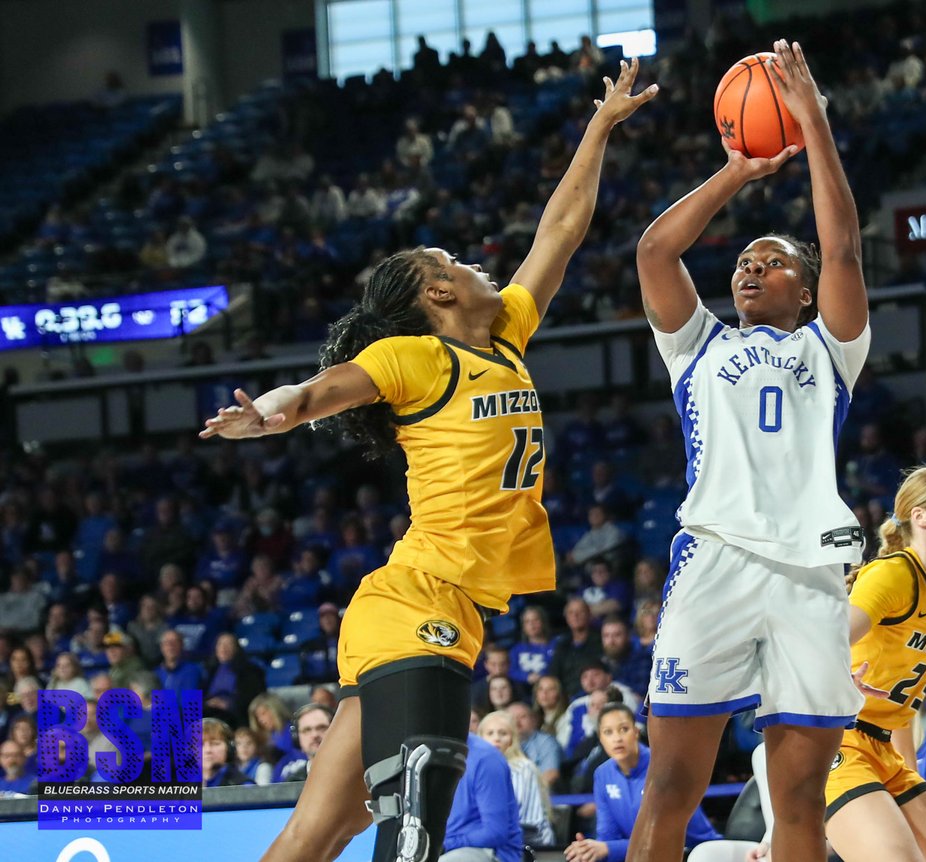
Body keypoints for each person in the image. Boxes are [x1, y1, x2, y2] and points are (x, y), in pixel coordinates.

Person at [200, 62, 656, 862]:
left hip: (435, 611)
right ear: (437, 293)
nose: (478, 265)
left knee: (321, 831)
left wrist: (599, 127)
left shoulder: (507, 334)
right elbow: (314, 393)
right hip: (420, 608)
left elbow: (561, 230)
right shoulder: (415, 357)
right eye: (453, 260)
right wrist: (264, 415)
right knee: (418, 810)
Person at [629, 40, 868, 862]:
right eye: (742, 260)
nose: (750, 268)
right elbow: (656, 253)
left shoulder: (830, 352)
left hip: (809, 574)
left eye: (772, 262)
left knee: (799, 800)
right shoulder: (696, 346)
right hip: (716, 558)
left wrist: (814, 126)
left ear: (805, 291)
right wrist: (739, 170)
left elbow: (843, 249)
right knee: (671, 786)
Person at [827, 466, 926, 862]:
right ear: (921, 517)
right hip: (839, 743)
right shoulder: (895, 574)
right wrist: (836, 677)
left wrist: (909, 785)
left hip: (883, 751)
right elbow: (824, 644)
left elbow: (901, 714)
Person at [566, 703, 720, 862]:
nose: (617, 738)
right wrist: (589, 850)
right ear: (600, 739)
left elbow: (663, 839)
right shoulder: (602, 774)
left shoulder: (664, 766)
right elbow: (608, 836)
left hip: (695, 852)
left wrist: (608, 848)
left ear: (636, 732)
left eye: (624, 729)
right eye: (608, 732)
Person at [441, 733, 524, 862]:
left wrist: (445, 845)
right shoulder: (421, 752)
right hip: (444, 846)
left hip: (491, 852)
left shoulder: (486, 759)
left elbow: (495, 832)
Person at [478, 710, 555, 847]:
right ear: (480, 738)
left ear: (512, 739)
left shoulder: (523, 768)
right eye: (490, 733)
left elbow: (529, 823)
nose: (497, 738)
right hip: (492, 840)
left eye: (503, 733)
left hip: (531, 845)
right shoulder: (475, 771)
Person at [202, 718, 255, 787]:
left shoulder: (245, 786)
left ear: (229, 749)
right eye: (200, 744)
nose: (207, 750)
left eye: (215, 743)